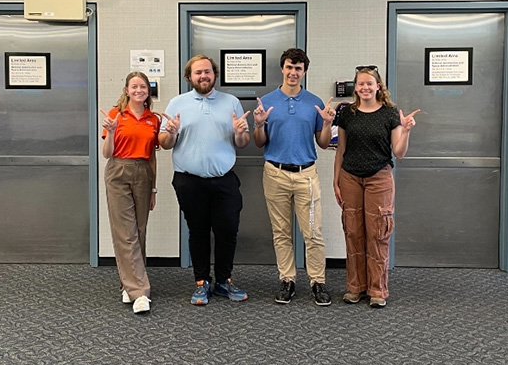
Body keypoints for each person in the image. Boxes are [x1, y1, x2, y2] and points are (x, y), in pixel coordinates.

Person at [159, 54, 251, 306]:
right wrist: (171, 133)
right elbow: (165, 144)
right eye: (198, 72)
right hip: (189, 181)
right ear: (189, 77)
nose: (204, 76)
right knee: (198, 232)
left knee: (227, 231)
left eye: (208, 72)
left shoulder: (231, 102)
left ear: (215, 74)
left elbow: (241, 143)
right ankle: (201, 282)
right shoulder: (177, 103)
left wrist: (242, 133)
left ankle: (224, 280)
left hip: (224, 181)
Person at [253, 48, 335, 306]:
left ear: (304, 72)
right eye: (289, 67)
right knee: (281, 232)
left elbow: (322, 144)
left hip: (306, 175)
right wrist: (258, 125)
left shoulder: (315, 103)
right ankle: (286, 279)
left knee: (313, 232)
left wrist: (327, 124)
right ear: (283, 69)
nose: (293, 72)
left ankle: (317, 282)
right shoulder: (267, 102)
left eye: (298, 68)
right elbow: (259, 143)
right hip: (275, 173)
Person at [332, 66, 419, 308]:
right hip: (350, 177)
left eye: (370, 83)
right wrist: (335, 180)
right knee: (353, 232)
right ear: (355, 87)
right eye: (360, 84)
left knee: (378, 233)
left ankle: (377, 290)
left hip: (379, 177)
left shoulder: (390, 114)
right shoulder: (347, 113)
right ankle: (355, 288)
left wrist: (407, 131)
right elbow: (341, 150)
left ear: (378, 86)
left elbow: (399, 153)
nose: (365, 87)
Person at [101, 71, 161, 315]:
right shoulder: (116, 115)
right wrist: (113, 132)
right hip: (118, 171)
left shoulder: (153, 119)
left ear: (148, 91)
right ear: (126, 90)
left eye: (143, 87)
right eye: (134, 86)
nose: (139, 90)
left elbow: (153, 156)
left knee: (139, 230)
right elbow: (106, 153)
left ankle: (129, 283)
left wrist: (154, 187)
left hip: (144, 172)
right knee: (125, 232)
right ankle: (139, 292)